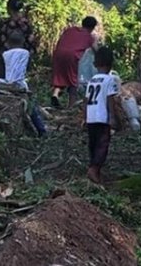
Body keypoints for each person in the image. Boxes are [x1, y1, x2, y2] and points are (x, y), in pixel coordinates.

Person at [0, 30, 46, 137]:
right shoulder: (26, 53)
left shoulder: (5, 54)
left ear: (8, 43)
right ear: (22, 42)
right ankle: (41, 130)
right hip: (21, 85)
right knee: (32, 109)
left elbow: (4, 73)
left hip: (8, 85)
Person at [84, 46, 120, 184]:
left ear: (95, 64)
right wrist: (112, 117)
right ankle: (94, 168)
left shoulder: (92, 80)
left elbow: (86, 101)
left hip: (91, 117)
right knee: (103, 144)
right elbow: (110, 100)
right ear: (111, 64)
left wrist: (84, 117)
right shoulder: (109, 80)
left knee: (93, 143)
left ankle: (93, 167)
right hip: (102, 117)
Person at [51, 16, 98, 108]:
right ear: (92, 27)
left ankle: (55, 94)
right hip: (72, 56)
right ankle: (71, 106)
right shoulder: (89, 36)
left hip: (59, 53)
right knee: (73, 81)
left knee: (60, 76)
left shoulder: (70, 30)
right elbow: (96, 49)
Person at [0, 0, 36, 76]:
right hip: (21, 61)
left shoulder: (5, 24)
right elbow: (31, 44)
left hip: (7, 62)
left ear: (9, 9)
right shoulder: (26, 25)